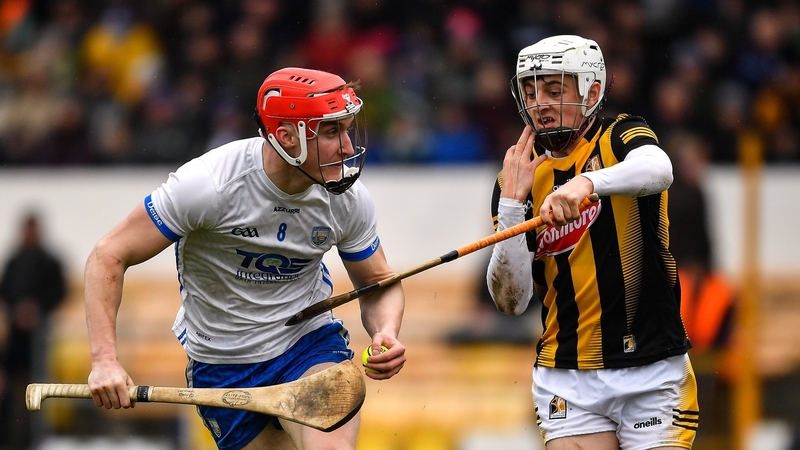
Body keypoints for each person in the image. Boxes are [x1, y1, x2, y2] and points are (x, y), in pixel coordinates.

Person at [84, 67, 407, 450]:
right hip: (222, 364)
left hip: (307, 346)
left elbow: (377, 283)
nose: (348, 148)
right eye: (332, 132)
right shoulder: (209, 186)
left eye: (348, 130)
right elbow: (109, 255)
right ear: (287, 137)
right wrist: (104, 360)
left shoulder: (347, 199)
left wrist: (386, 331)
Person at [486, 35, 699, 450]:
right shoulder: (514, 178)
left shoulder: (620, 135)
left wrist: (587, 183)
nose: (540, 104)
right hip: (566, 375)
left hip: (651, 367)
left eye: (554, 91)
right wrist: (511, 207)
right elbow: (511, 302)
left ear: (592, 91)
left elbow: (660, 169)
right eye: (530, 93)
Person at [0, 212, 67, 450]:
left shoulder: (50, 261)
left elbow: (59, 293)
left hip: (40, 338)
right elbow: (6, 292)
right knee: (9, 387)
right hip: (15, 338)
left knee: (39, 385)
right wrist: (18, 311)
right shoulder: (14, 260)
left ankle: (36, 438)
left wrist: (36, 309)